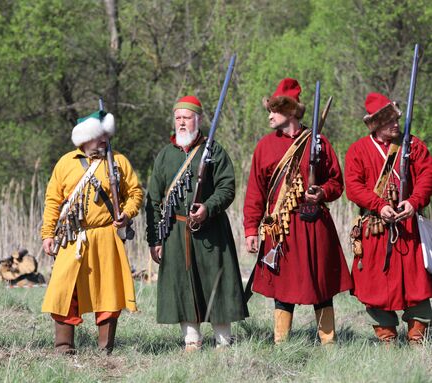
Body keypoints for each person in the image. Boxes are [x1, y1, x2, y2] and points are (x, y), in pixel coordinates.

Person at [243, 78, 352, 345]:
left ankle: (329, 344)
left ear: (290, 111)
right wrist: (250, 229)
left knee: (322, 285)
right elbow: (255, 192)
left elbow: (337, 183)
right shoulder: (265, 146)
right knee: (283, 286)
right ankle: (282, 344)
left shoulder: (320, 142)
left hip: (315, 225)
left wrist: (322, 192)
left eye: (274, 110)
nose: (269, 115)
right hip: (281, 227)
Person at [145, 95, 248, 351]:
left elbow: (227, 187)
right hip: (176, 232)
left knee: (217, 283)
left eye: (187, 118)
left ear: (198, 120)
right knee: (182, 283)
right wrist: (155, 239)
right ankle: (191, 339)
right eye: (178, 118)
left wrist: (208, 208)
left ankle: (223, 340)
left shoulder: (214, 151)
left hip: (212, 229)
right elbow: (154, 200)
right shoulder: (165, 156)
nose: (181, 123)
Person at [41, 109, 143, 355]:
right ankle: (64, 346)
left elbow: (136, 193)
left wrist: (126, 214)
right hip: (72, 236)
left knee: (108, 291)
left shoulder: (118, 161)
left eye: (105, 136)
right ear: (85, 138)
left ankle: (104, 349)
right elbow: (53, 200)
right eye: (99, 136)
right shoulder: (66, 162)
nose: (104, 140)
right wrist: (48, 234)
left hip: (107, 235)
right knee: (64, 289)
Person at [345, 92, 432, 344]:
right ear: (376, 125)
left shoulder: (413, 146)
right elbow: (353, 186)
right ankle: (387, 339)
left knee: (417, 284)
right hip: (375, 227)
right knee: (375, 286)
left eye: (396, 119)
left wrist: (414, 202)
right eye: (388, 121)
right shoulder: (359, 150)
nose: (396, 124)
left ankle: (418, 339)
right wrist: (378, 204)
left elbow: (427, 177)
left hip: (409, 227)